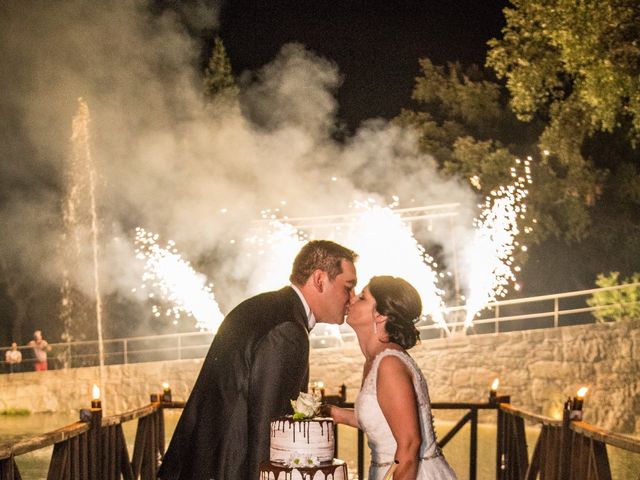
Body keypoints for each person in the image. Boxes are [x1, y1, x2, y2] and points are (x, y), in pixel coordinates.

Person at [158, 240, 358, 480]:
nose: (352, 297)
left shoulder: (261, 307)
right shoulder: (288, 330)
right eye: (348, 287)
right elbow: (268, 432)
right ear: (319, 279)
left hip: (197, 466)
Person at [327, 276, 457, 480]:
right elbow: (383, 422)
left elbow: (410, 445)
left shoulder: (389, 364)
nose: (351, 299)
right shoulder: (377, 360)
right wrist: (334, 413)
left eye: (362, 297)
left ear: (380, 315)